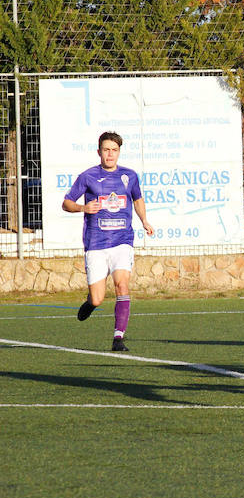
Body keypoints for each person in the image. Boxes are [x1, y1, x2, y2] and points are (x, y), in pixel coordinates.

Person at [62, 131, 154, 352]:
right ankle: (90, 303)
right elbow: (66, 203)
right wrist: (83, 207)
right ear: (99, 152)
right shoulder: (88, 176)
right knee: (97, 299)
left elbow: (138, 199)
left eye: (114, 150)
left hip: (123, 240)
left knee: (122, 283)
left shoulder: (129, 176)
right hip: (96, 243)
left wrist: (144, 220)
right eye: (106, 150)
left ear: (119, 152)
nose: (110, 154)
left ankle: (118, 338)